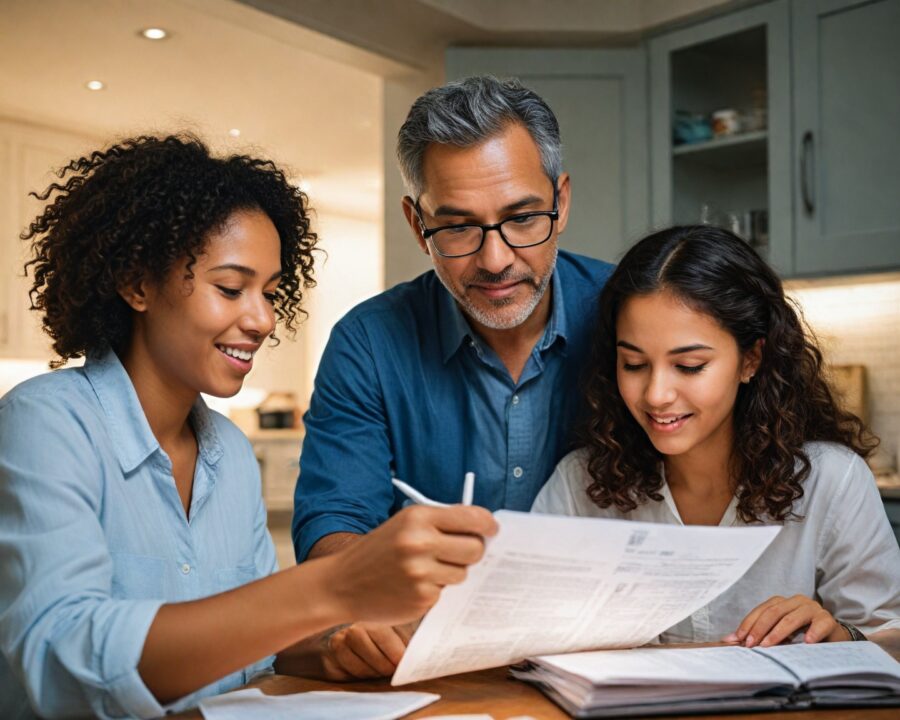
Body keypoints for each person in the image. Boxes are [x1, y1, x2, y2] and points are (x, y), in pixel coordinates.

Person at [0, 134, 497, 720]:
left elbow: (255, 652)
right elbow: (63, 659)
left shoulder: (229, 454)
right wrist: (335, 584)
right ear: (137, 283)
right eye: (231, 288)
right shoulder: (45, 424)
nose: (263, 319)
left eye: (270, 292)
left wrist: (334, 647)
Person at [291, 75, 614, 678]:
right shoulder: (367, 343)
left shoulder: (629, 312)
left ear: (561, 202)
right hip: (426, 665)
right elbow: (334, 521)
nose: (495, 261)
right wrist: (361, 607)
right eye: (459, 227)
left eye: (522, 218)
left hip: (602, 661)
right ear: (418, 225)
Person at [533, 224, 900, 645]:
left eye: (689, 366)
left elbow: (891, 641)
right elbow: (528, 627)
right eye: (634, 364)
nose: (656, 395)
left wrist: (841, 635)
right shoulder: (580, 485)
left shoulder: (832, 481)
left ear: (751, 359)